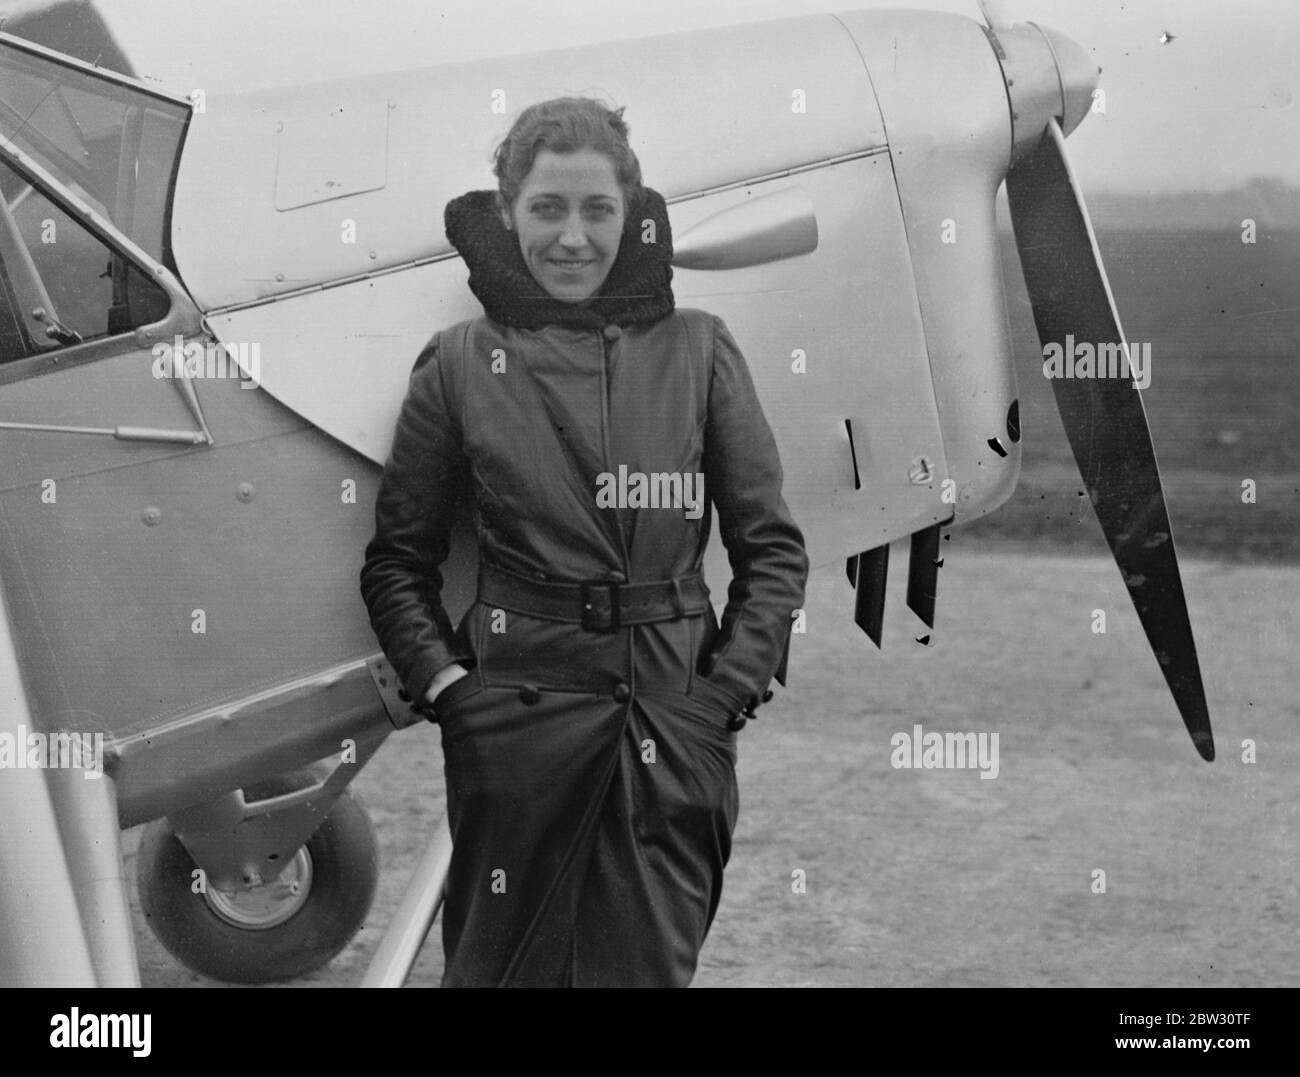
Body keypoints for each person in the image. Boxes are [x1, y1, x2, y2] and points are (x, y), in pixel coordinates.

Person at [360, 97, 808, 987]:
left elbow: (773, 553)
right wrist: (454, 694)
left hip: (670, 724)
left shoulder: (701, 350)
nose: (573, 238)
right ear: (509, 213)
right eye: (547, 210)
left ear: (631, 215)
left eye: (597, 210)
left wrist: (719, 700)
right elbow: (398, 564)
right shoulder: (457, 363)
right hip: (513, 730)